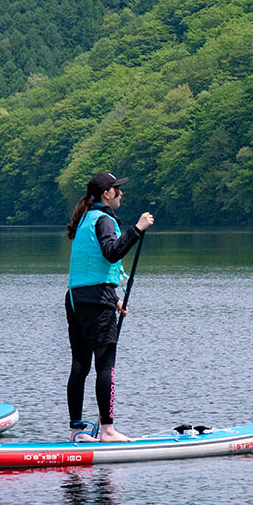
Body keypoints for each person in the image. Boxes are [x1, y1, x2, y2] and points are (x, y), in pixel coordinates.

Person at [65, 171, 153, 442]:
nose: (121, 193)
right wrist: (137, 229)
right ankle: (107, 431)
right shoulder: (104, 219)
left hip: (75, 299)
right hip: (94, 300)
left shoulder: (84, 219)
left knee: (80, 365)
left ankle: (77, 430)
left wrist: (113, 299)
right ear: (106, 193)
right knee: (105, 365)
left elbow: (92, 267)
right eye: (117, 189)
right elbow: (112, 252)